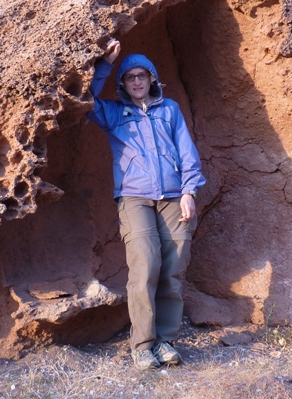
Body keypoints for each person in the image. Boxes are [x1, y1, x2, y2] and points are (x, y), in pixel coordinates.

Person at [87, 38, 206, 370]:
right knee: (145, 267)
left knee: (174, 269)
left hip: (173, 197)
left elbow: (187, 152)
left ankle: (165, 342)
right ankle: (142, 346)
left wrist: (188, 192)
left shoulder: (169, 110)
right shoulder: (113, 113)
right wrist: (107, 65)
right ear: (123, 83)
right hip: (134, 198)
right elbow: (86, 99)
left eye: (142, 75)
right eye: (130, 77)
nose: (137, 81)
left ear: (152, 78)